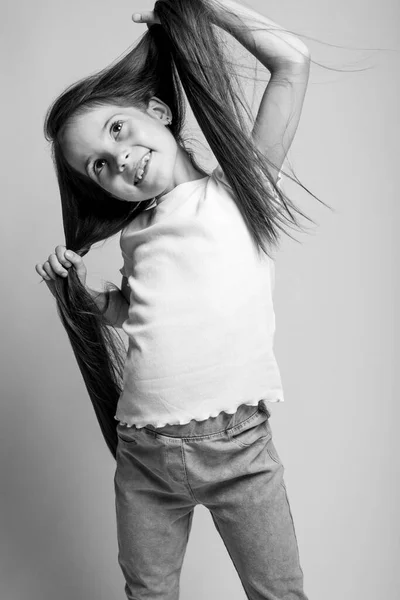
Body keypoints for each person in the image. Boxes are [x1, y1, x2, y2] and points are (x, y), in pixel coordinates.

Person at [35, 1, 319, 598]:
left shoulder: (239, 193)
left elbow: (292, 62)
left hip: (238, 451)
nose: (120, 159)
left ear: (157, 111)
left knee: (279, 593)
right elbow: (136, 314)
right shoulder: (135, 234)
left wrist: (199, 6)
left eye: (118, 129)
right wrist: (82, 293)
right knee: (148, 593)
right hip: (145, 455)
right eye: (100, 166)